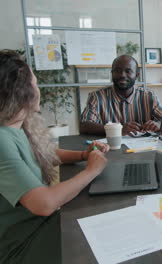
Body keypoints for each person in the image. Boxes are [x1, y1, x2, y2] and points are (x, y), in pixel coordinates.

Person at [0, 50, 109, 264]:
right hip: (22, 243)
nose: (38, 89)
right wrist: (92, 170)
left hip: (40, 225)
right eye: (35, 83)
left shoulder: (15, 126)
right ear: (21, 92)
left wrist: (83, 155)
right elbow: (44, 203)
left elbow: (43, 153)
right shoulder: (2, 140)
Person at [80, 55, 162, 136]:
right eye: (118, 71)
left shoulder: (148, 96)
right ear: (112, 73)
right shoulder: (98, 96)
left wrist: (159, 124)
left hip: (144, 149)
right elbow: (84, 126)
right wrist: (118, 129)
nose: (122, 75)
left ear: (136, 75)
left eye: (128, 71)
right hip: (110, 150)